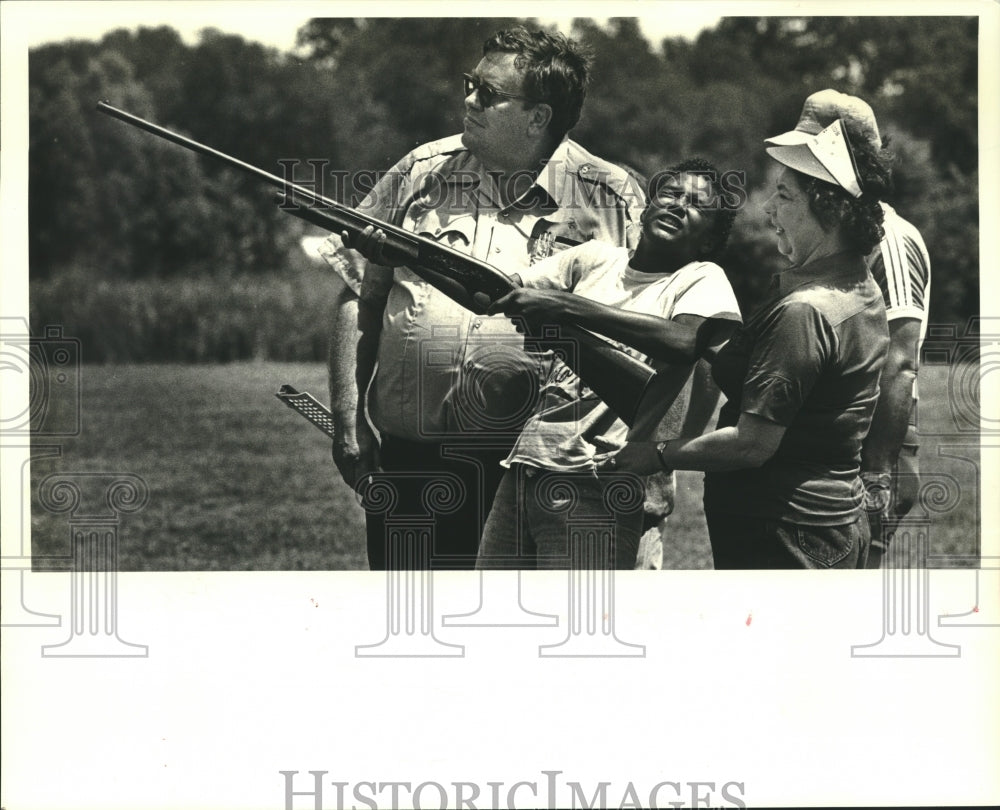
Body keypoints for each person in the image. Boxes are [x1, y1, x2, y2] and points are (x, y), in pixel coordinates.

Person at [321, 27, 645, 569]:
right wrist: (348, 418)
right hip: (410, 460)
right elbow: (358, 294)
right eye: (470, 83)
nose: (468, 99)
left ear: (538, 117)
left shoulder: (610, 198)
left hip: (539, 474)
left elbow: (649, 342)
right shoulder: (422, 170)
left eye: (488, 93)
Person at [604, 115, 893, 569]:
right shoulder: (860, 286)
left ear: (831, 209)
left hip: (784, 530)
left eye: (784, 196)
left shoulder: (806, 312)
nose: (769, 212)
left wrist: (655, 454)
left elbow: (750, 445)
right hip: (829, 522)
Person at [476, 159, 741, 569]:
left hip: (602, 477)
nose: (676, 206)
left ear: (708, 240)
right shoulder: (595, 258)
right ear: (645, 208)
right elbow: (497, 290)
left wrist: (565, 305)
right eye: (669, 194)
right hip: (529, 465)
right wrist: (398, 254)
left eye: (696, 206)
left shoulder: (702, 278)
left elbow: (682, 341)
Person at [767, 91, 932, 569]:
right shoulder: (839, 232)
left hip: (877, 446)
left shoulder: (890, 238)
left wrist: (879, 474)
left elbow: (900, 361)